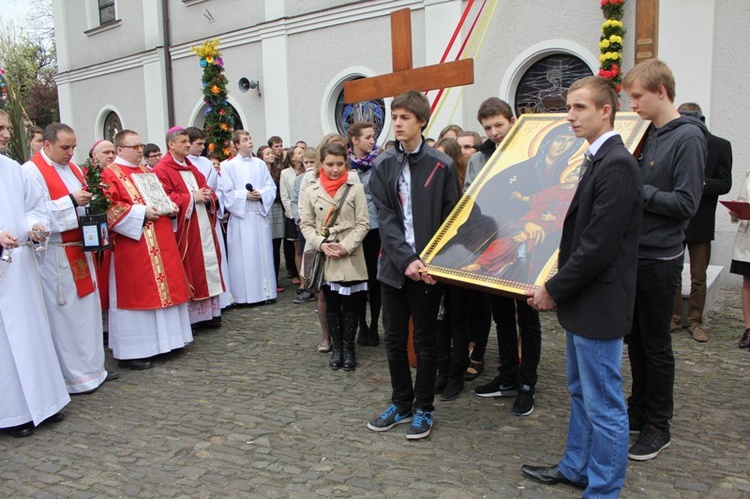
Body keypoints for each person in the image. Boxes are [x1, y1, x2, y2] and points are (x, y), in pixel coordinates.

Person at [522, 75, 642, 498]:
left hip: (600, 302)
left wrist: (553, 288)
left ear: (606, 111)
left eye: (579, 108)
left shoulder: (618, 164)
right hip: (584, 299)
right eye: (569, 107)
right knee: (580, 391)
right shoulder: (597, 159)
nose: (569, 116)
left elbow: (596, 247)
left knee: (605, 403)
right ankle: (576, 467)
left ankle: (604, 488)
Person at [622, 58, 706, 461]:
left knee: (656, 345)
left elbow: (687, 203)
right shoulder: (648, 133)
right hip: (635, 252)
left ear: (661, 92)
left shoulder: (688, 137)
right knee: (635, 340)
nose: (632, 104)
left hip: (660, 257)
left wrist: (638, 190)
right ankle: (638, 408)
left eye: (637, 96)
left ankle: (659, 424)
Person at [367, 91, 459, 440]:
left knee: (425, 340)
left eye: (405, 117)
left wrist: (433, 261)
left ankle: (424, 407)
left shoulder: (441, 164)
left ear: (422, 121)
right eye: (395, 117)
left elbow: (451, 217)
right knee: (393, 338)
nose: (398, 123)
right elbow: (387, 219)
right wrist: (406, 260)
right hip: (394, 268)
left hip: (428, 271)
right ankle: (401, 403)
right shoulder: (383, 165)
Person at [22, 123, 109, 393]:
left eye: (73, 147)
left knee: (87, 314)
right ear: (46, 145)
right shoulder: (31, 171)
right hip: (56, 256)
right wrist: (71, 201)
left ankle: (94, 371)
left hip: (79, 248)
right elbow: (31, 214)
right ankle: (72, 378)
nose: (71, 153)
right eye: (65, 147)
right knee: (66, 317)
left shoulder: (73, 169)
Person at [1, 110, 69, 438]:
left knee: (32, 335)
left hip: (22, 266)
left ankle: (45, 402)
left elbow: (33, 208)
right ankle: (12, 413)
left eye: (5, 128)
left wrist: (35, 226)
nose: (5, 134)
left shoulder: (13, 169)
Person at [102, 129, 193, 370]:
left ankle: (168, 342)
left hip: (160, 238)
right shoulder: (110, 174)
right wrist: (141, 213)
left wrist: (169, 206)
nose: (140, 150)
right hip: (134, 244)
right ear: (120, 150)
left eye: (141, 145)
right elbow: (109, 209)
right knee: (139, 294)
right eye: (135, 147)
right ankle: (134, 351)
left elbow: (159, 197)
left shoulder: (145, 171)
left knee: (167, 288)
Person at [300, 142, 369, 371]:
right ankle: (337, 347)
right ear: (321, 164)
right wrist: (321, 243)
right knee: (331, 304)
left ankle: (349, 349)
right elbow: (306, 224)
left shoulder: (355, 187)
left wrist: (346, 246)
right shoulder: (312, 190)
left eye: (340, 164)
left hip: (350, 253)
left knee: (351, 305)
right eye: (330, 164)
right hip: (326, 253)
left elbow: (363, 223)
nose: (335, 169)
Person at [670, 102, 732, 342]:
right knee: (673, 273)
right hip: (675, 219)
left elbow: (724, 183)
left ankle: (695, 321)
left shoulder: (720, 146)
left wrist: (699, 183)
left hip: (702, 220)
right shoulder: (673, 142)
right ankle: (674, 318)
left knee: (699, 275)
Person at [154, 127, 225, 329]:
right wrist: (192, 198)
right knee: (191, 266)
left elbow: (208, 190)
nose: (188, 144)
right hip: (185, 228)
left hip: (203, 224)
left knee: (209, 264)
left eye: (188, 141)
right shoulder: (162, 169)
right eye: (184, 141)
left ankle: (210, 313)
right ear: (171, 144)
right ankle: (194, 317)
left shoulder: (191, 167)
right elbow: (163, 199)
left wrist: (209, 197)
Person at [218, 130, 278, 305]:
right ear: (237, 145)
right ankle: (243, 296)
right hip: (241, 218)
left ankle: (266, 293)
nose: (250, 142)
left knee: (262, 255)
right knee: (243, 258)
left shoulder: (259, 164)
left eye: (250, 138)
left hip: (258, 215)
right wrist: (244, 195)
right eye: (245, 140)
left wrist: (261, 194)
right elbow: (226, 193)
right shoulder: (228, 166)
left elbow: (270, 187)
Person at [186, 127, 232, 309]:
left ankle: (221, 300)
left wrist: (212, 199)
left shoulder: (205, 163)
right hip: (192, 217)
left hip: (208, 214)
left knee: (216, 257)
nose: (202, 147)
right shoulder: (183, 163)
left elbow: (218, 187)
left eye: (204, 144)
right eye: (199, 144)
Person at [347, 121, 382, 347]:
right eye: (367, 137)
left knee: (376, 280)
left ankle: (374, 325)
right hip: (354, 230)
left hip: (377, 228)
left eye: (373, 136)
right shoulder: (345, 166)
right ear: (355, 140)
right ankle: (361, 324)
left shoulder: (380, 163)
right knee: (358, 280)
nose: (372, 141)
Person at [291, 146, 319, 307]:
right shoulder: (300, 178)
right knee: (305, 254)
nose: (309, 165)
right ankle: (307, 286)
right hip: (304, 223)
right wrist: (299, 219)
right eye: (306, 162)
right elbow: (296, 201)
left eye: (312, 162)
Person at [729, 171, 750, 349]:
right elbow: (743, 200)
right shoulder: (749, 175)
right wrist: (736, 212)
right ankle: (749, 329)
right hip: (748, 241)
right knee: (748, 283)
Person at [279, 146, 304, 290]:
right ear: (292, 157)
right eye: (299, 153)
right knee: (298, 249)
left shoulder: (307, 171)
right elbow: (285, 196)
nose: (302, 155)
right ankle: (302, 282)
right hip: (293, 216)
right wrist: (294, 214)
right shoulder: (285, 173)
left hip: (307, 214)